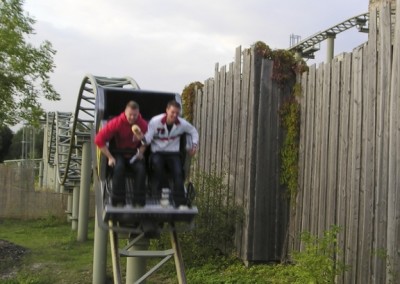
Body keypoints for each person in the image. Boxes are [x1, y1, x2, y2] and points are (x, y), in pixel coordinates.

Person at [141, 100, 199, 208]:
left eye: (177, 113)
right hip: (157, 152)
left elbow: (194, 132)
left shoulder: (182, 124)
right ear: (167, 110)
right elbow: (148, 138)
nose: (175, 115)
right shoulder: (155, 121)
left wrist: (194, 145)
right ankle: (164, 195)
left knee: (178, 172)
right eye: (172, 112)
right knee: (158, 167)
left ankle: (180, 202)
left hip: (173, 153)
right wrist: (142, 140)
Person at [95, 100, 148, 207]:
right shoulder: (117, 122)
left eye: (135, 115)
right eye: (130, 115)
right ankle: (118, 201)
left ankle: (138, 202)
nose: (132, 118)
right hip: (118, 152)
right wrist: (109, 157)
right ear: (125, 112)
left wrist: (141, 151)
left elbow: (146, 142)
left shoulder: (142, 124)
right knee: (119, 168)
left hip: (134, 153)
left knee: (141, 169)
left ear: (138, 114)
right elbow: (99, 139)